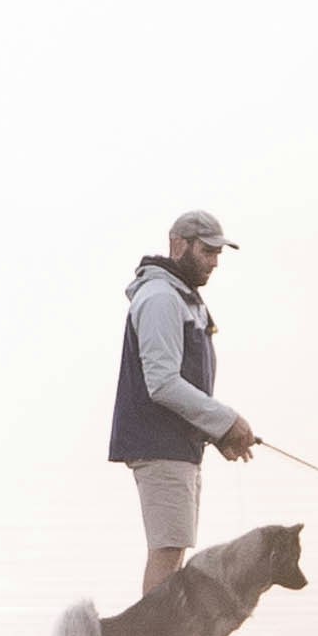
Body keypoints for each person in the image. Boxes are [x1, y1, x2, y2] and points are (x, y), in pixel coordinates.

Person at [109, 207, 259, 595]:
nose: (213, 262)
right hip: (158, 444)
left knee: (173, 550)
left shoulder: (184, 298)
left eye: (217, 255)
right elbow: (162, 384)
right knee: (167, 550)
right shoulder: (160, 298)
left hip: (180, 445)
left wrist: (217, 434)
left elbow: (182, 385)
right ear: (179, 245)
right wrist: (227, 421)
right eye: (206, 251)